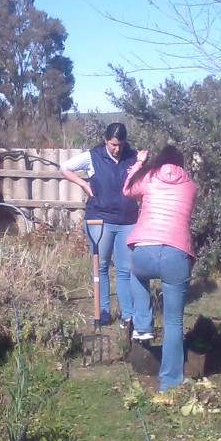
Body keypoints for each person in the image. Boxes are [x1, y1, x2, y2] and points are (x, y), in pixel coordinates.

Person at [124, 145, 197, 392]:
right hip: (177, 254)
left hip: (144, 249)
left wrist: (139, 164)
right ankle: (169, 382)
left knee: (135, 273)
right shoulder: (190, 185)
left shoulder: (148, 176)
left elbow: (127, 190)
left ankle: (143, 325)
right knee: (174, 322)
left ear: (159, 160)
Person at [60, 123, 140, 325]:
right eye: (113, 144)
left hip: (127, 220)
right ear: (106, 140)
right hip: (99, 219)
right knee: (101, 266)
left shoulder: (133, 157)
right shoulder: (93, 156)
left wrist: (142, 163)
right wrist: (85, 185)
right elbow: (65, 168)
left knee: (125, 269)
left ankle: (128, 314)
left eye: (121, 144)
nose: (117, 148)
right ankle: (102, 311)